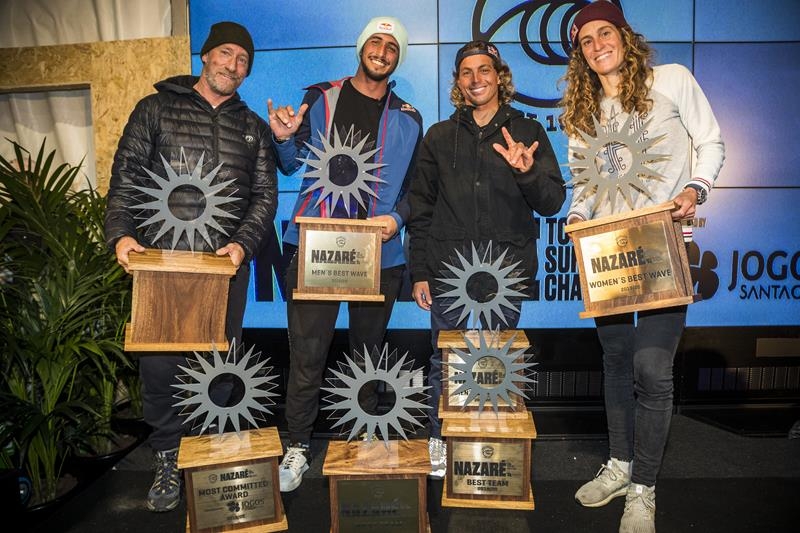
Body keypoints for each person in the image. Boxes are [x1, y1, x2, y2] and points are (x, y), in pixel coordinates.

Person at [560, 2, 725, 532]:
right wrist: (578, 216)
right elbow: (583, 184)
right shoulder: (583, 112)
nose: (596, 45)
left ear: (625, 36)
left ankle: (644, 488)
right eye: (585, 41)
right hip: (608, 252)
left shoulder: (672, 80)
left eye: (604, 33)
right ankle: (620, 463)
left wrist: (696, 188)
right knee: (614, 363)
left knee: (652, 371)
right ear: (579, 54)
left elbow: (711, 141)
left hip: (662, 244)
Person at [104, 21, 277, 512]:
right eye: (226, 54)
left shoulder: (252, 127)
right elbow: (127, 176)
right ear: (205, 56)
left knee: (221, 365)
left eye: (244, 61)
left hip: (224, 268)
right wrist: (121, 234)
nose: (234, 66)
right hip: (163, 264)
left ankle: (212, 454)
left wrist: (242, 247)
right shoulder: (154, 109)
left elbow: (264, 196)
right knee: (160, 369)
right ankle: (165, 458)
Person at [267, 16, 422, 492]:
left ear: (397, 57)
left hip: (379, 254)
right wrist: (284, 138)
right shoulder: (321, 98)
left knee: (369, 356)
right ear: (361, 49)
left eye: (391, 44)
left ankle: (367, 439)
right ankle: (297, 446)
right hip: (318, 248)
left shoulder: (411, 117)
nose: (382, 49)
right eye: (375, 41)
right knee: (307, 353)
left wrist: (396, 219)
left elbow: (418, 188)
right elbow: (291, 163)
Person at [407, 40, 566, 477]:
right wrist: (419, 271)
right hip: (447, 272)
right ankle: (440, 437)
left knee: (498, 359)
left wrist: (526, 171)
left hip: (505, 274)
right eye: (466, 72)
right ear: (458, 81)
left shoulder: (528, 132)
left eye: (484, 70)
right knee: (444, 359)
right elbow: (420, 208)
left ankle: (491, 440)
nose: (476, 79)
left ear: (500, 77)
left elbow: (552, 201)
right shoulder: (439, 136)